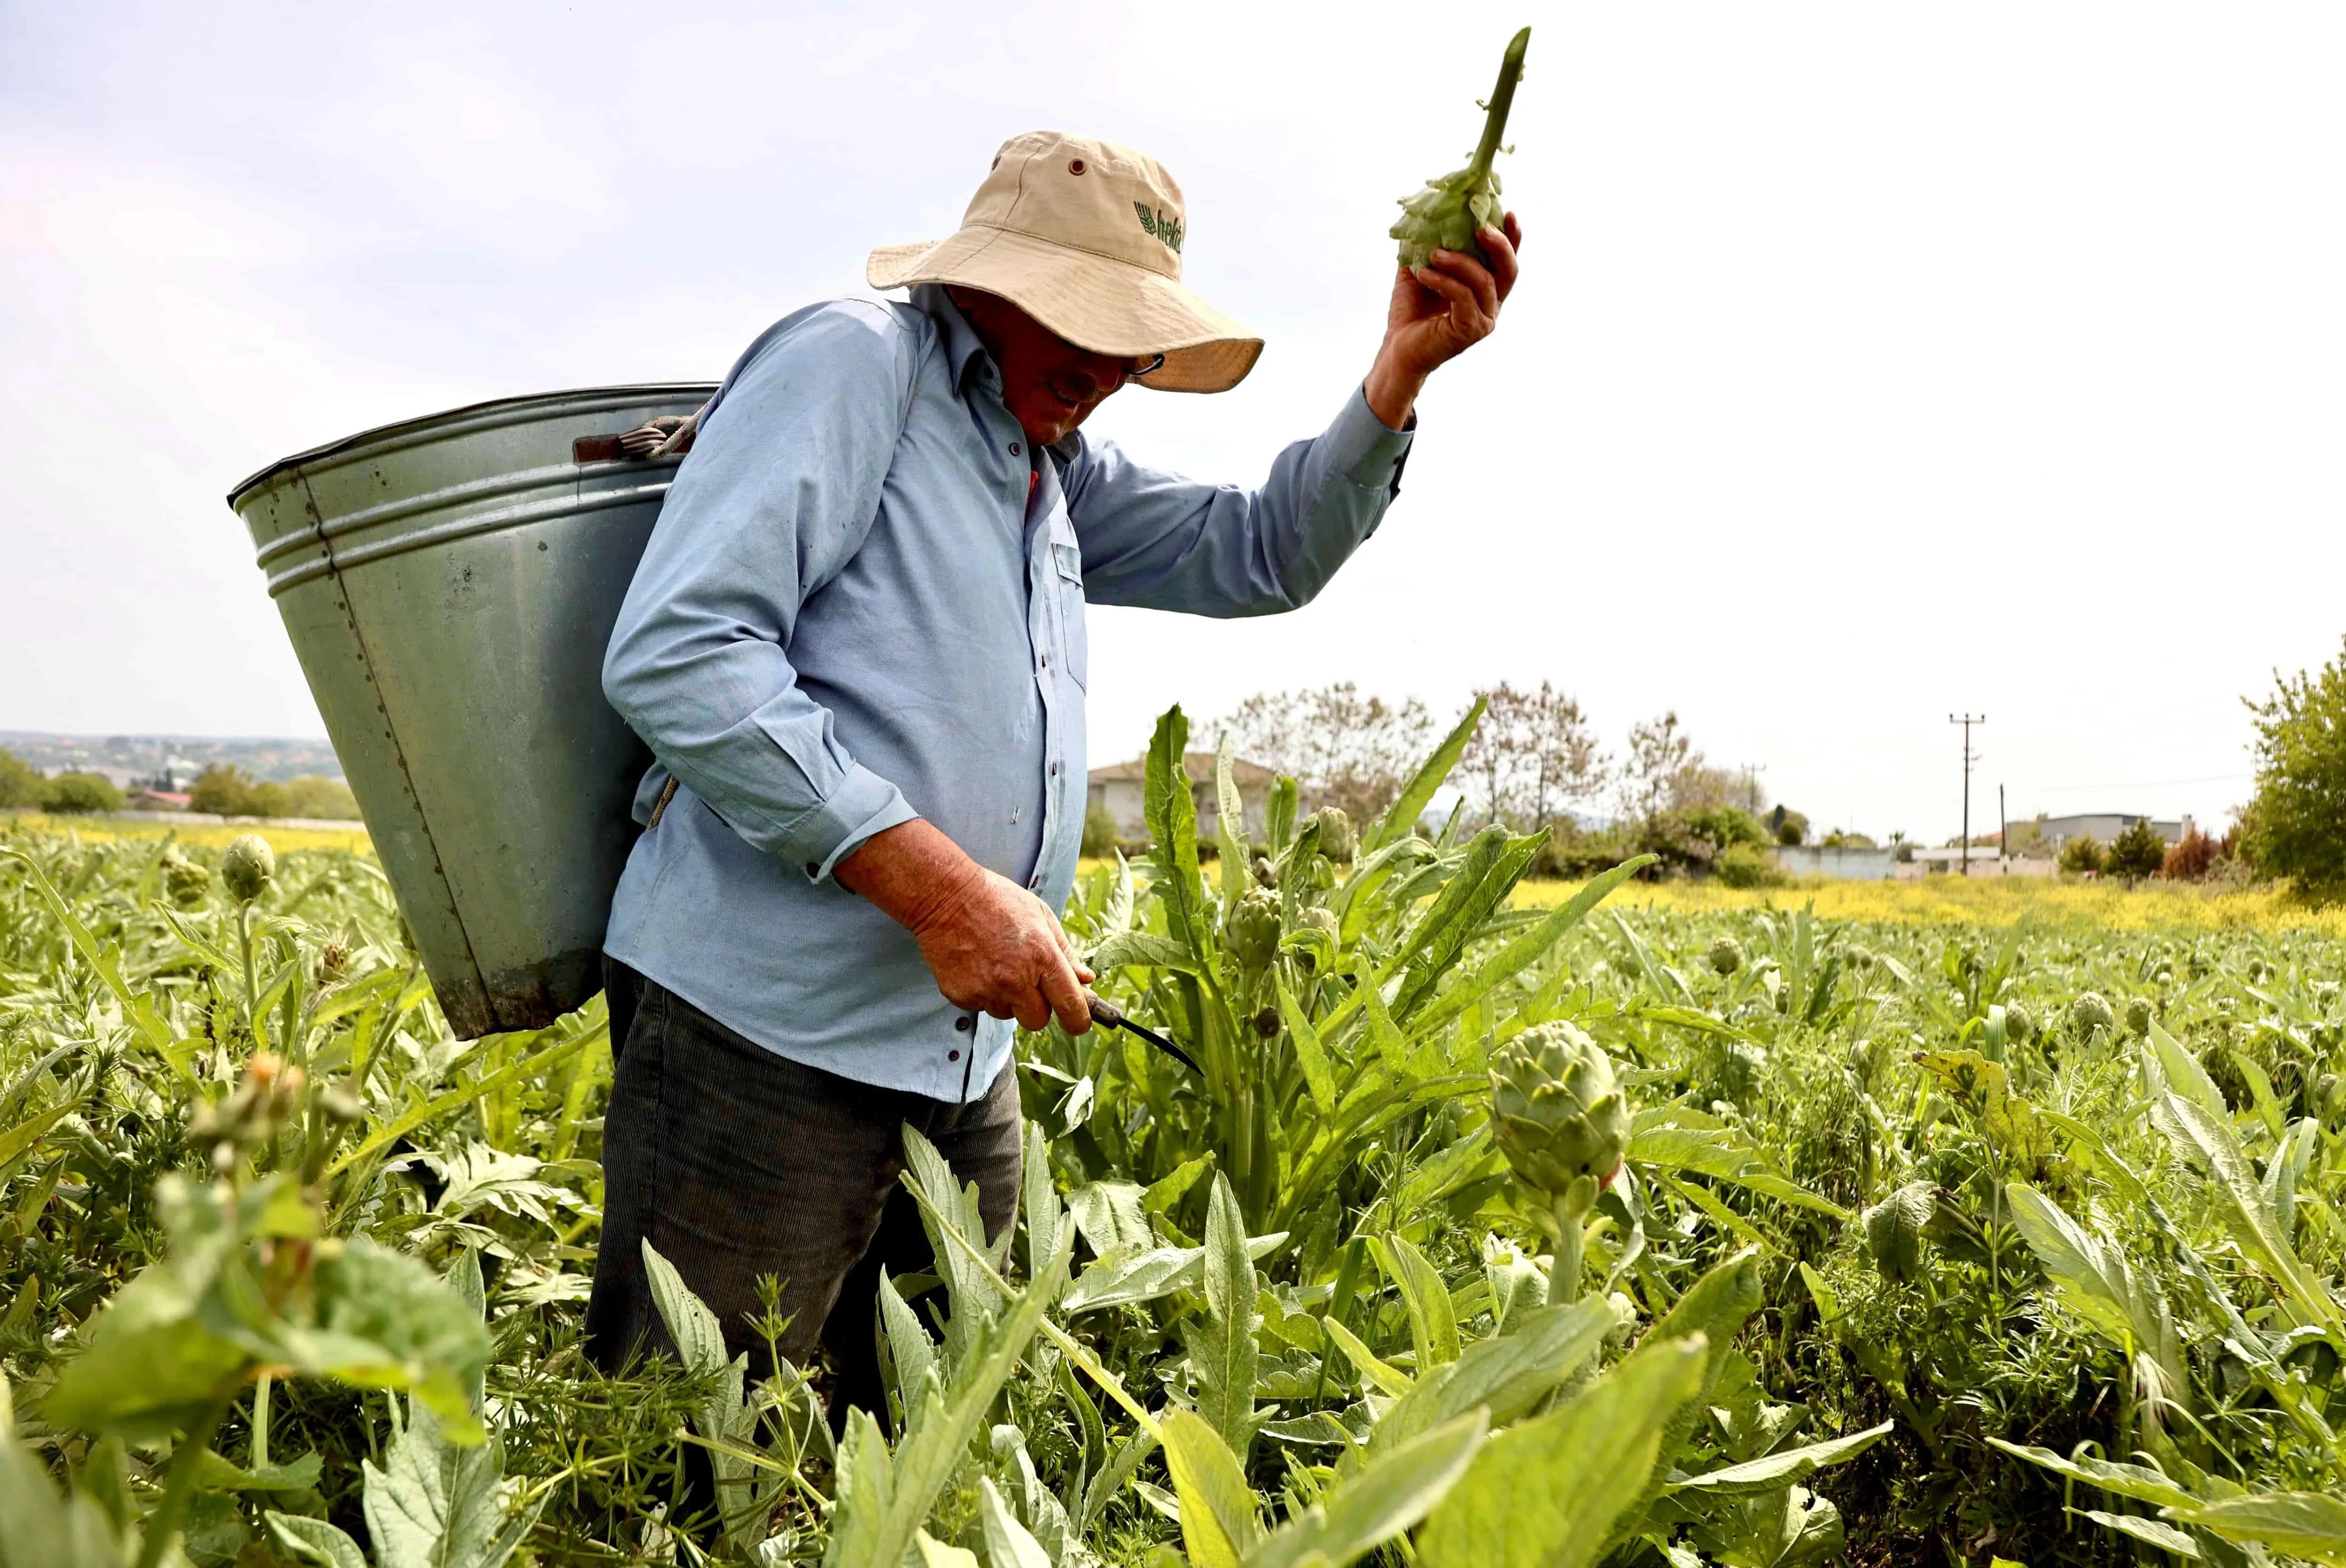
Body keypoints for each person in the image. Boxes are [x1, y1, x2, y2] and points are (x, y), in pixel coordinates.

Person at [584, 130, 1520, 1423]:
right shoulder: (857, 371)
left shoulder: (1049, 463)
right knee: (707, 1447)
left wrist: (1396, 375)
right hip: (766, 1031)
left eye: (1127, 336)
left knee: (930, 1431)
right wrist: (945, 895)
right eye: (1070, 319)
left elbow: (1261, 552)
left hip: (956, 1051)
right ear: (983, 280)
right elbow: (684, 654)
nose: (1103, 368)